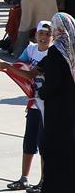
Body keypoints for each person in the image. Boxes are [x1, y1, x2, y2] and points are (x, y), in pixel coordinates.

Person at [0, 20, 52, 192]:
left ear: (53, 36)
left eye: (48, 34)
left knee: (43, 144)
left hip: (47, 105)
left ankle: (43, 181)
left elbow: (30, 74)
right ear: (36, 34)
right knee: (29, 140)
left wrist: (8, 67)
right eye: (41, 33)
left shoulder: (52, 53)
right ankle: (24, 178)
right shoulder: (31, 49)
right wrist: (2, 65)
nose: (44, 37)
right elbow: (19, 68)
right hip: (33, 102)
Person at [37, 12, 75, 192]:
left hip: (58, 111)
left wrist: (41, 92)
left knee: (54, 151)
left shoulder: (56, 51)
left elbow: (52, 83)